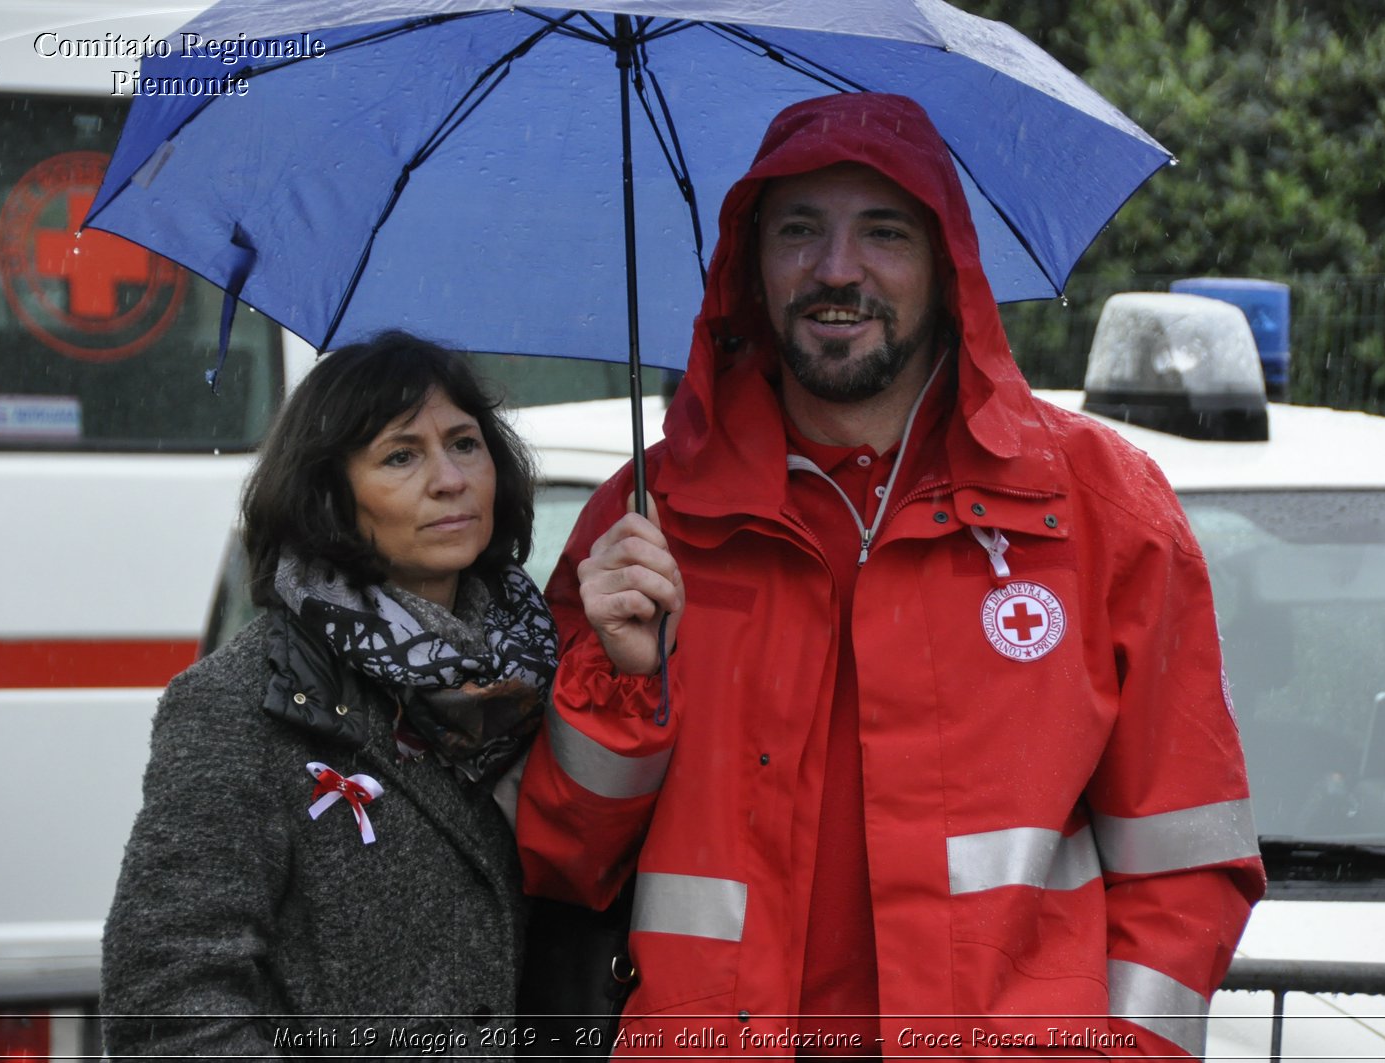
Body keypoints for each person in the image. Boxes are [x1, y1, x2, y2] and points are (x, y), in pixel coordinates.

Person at [516, 93, 1265, 1059]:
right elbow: (560, 860)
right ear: (748, 267)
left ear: (948, 269)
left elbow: (1187, 863)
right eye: (799, 232)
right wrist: (619, 681)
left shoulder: (1100, 510)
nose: (837, 270)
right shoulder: (646, 522)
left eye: (883, 232)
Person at [101, 332, 554, 1058]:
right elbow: (167, 1002)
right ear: (330, 496)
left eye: (465, 443)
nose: (449, 478)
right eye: (401, 455)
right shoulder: (241, 702)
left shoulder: (539, 671)